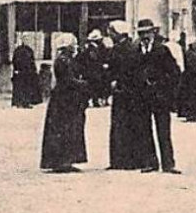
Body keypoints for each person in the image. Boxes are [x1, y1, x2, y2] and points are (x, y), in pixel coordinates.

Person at [106, 20, 157, 170]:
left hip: (127, 91)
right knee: (124, 125)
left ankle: (126, 160)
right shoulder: (127, 46)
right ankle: (123, 160)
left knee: (126, 125)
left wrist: (116, 80)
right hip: (124, 91)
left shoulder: (127, 48)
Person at [136, 18, 182, 173]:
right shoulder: (135, 50)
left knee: (163, 130)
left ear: (153, 32)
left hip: (160, 97)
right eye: (141, 33)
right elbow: (130, 73)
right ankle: (150, 162)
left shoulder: (162, 50)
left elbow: (175, 72)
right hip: (143, 97)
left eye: (147, 32)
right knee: (144, 130)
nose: (144, 36)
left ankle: (168, 163)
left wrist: (164, 87)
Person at [40, 34, 89, 173]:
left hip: (66, 98)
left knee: (68, 128)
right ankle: (61, 161)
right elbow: (68, 80)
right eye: (72, 45)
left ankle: (65, 160)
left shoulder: (66, 60)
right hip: (64, 99)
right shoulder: (63, 61)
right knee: (64, 128)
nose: (74, 47)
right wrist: (84, 84)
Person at [76, 29, 109, 109]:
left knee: (96, 86)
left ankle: (96, 99)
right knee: (93, 86)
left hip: (95, 70)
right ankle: (94, 100)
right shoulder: (91, 49)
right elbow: (93, 60)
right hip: (92, 71)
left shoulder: (98, 47)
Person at [10, 42, 41, 108]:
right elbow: (32, 63)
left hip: (21, 73)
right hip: (26, 73)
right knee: (25, 89)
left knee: (21, 89)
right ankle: (24, 102)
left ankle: (20, 102)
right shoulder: (27, 51)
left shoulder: (19, 51)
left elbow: (14, 62)